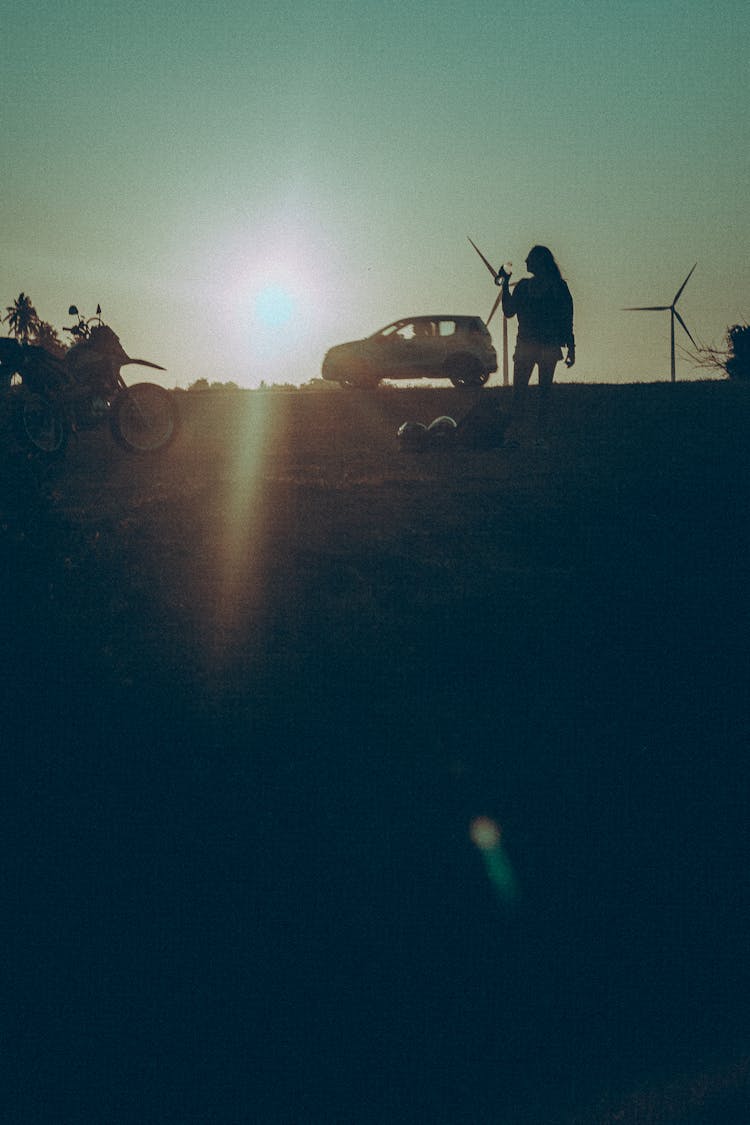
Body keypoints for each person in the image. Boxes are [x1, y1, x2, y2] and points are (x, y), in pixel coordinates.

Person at [498, 245, 575, 442]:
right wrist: (505, 285)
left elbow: (567, 318)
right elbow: (508, 311)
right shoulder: (526, 286)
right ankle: (521, 433)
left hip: (541, 345)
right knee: (524, 394)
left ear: (541, 261)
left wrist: (571, 347)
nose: (525, 261)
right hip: (532, 345)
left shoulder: (555, 287)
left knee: (539, 394)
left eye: (530, 258)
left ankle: (537, 434)